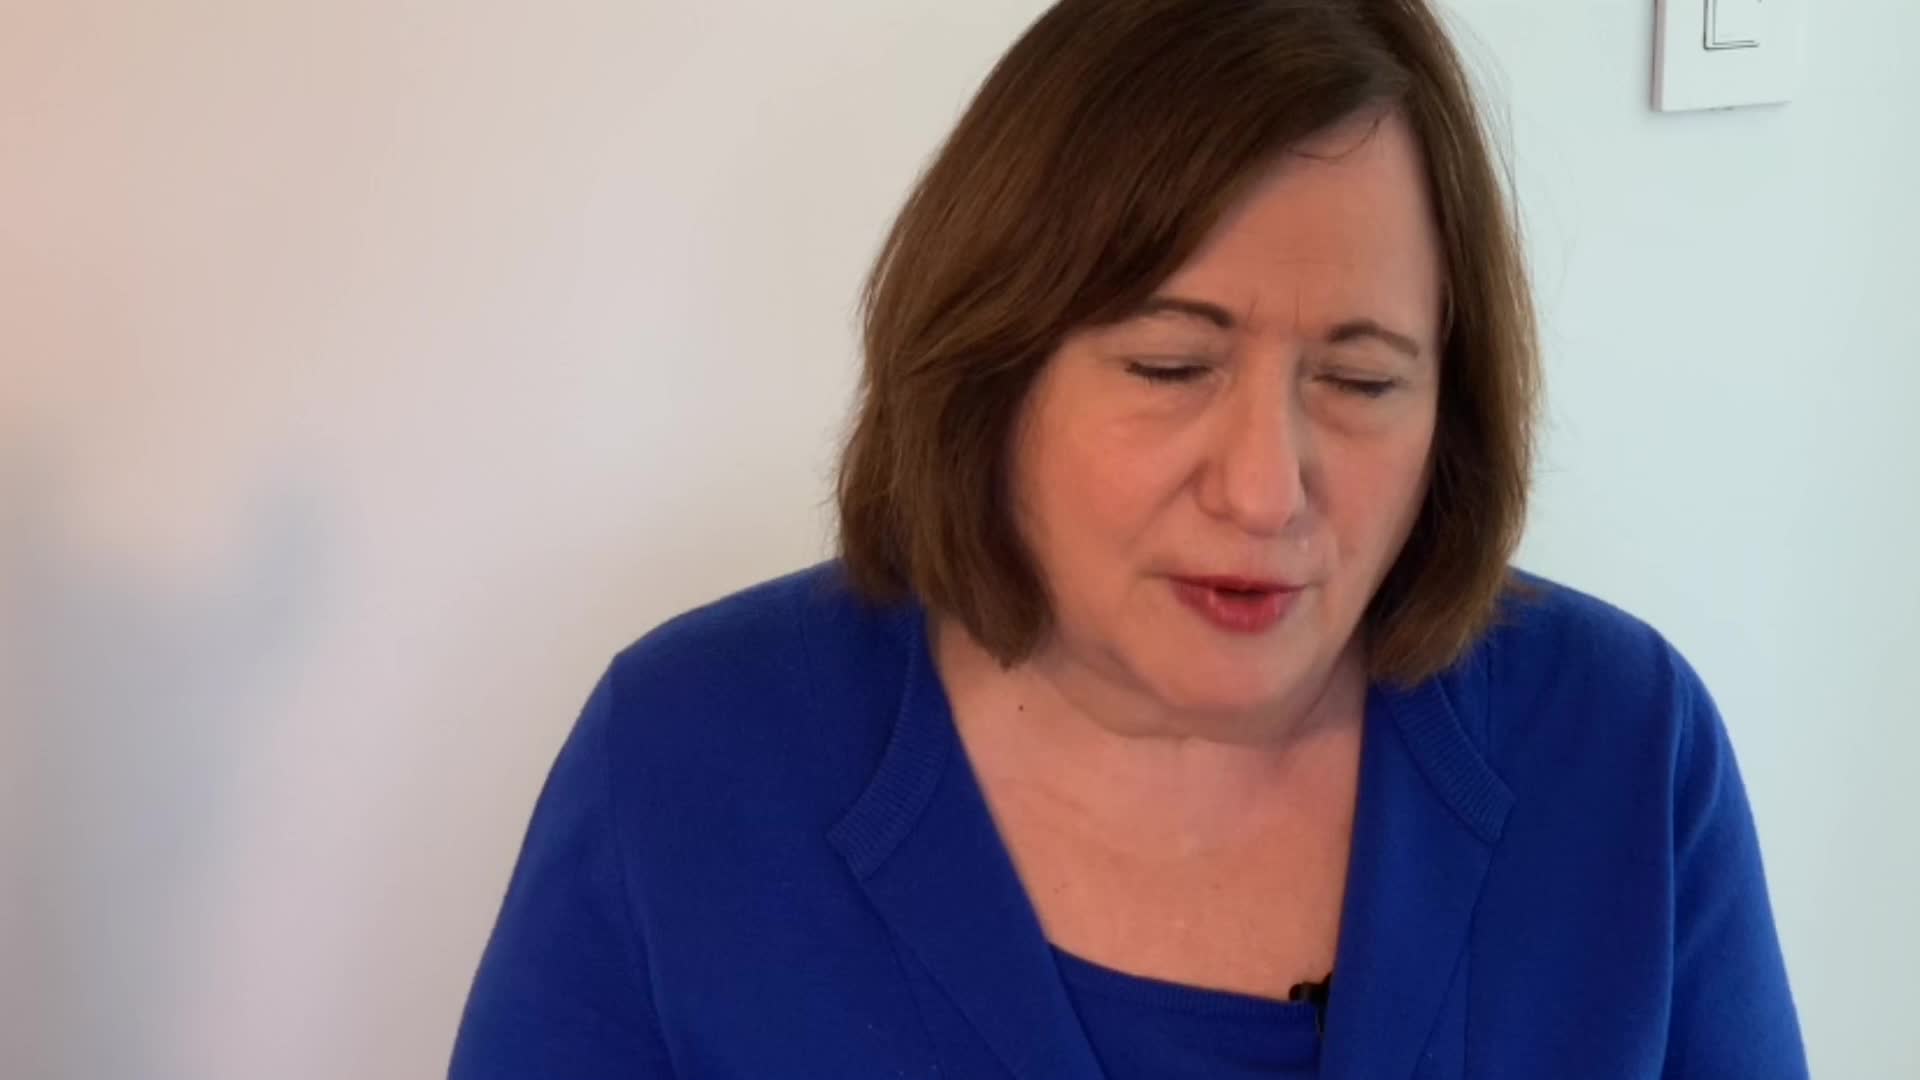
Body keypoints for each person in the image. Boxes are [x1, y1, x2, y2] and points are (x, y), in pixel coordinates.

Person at [449, 1, 1808, 1076]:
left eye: (1361, 380)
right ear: (990, 371)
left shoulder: (1625, 749)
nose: (1266, 492)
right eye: (1170, 365)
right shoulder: (683, 760)